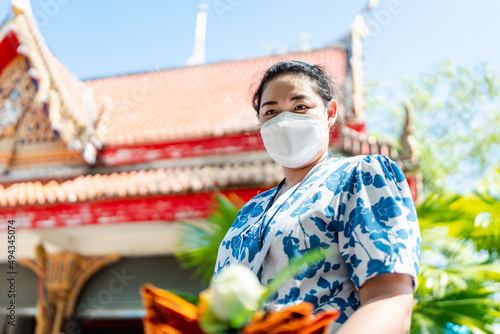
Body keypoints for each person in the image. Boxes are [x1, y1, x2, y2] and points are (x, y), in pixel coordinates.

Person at [214, 60, 421, 333]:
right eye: (271, 112)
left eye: (300, 107)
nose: (284, 120)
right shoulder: (249, 213)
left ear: (330, 112)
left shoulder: (362, 176)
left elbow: (389, 299)